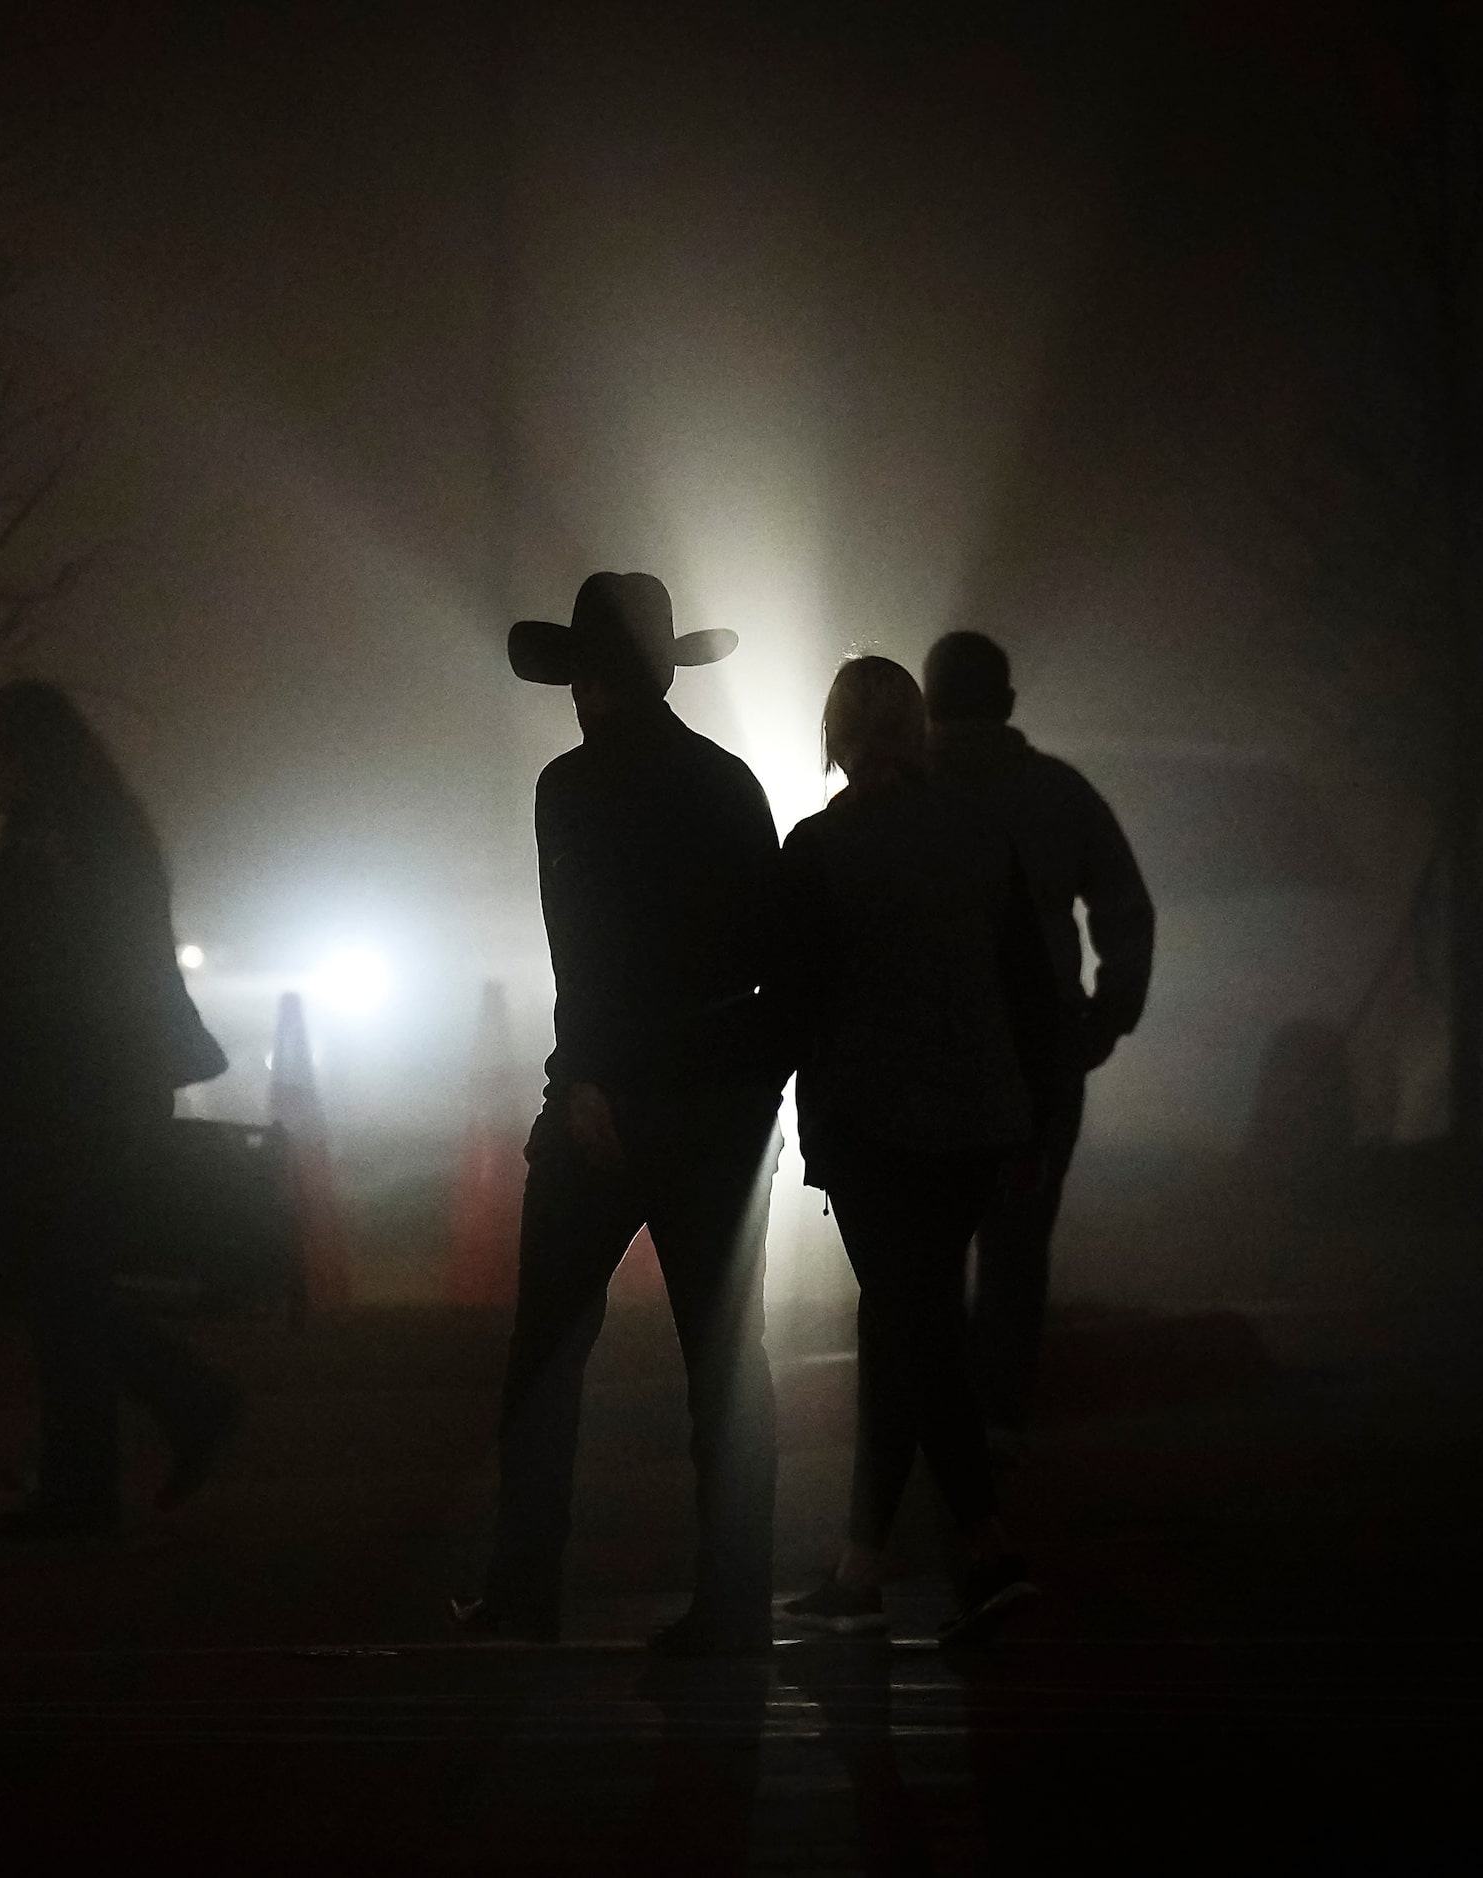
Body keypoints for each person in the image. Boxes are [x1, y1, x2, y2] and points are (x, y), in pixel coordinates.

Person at [454, 571, 784, 1657]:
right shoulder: (730, 784)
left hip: (610, 1093)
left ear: (591, 680)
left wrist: (584, 1079)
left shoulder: (569, 789)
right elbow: (764, 959)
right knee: (725, 1362)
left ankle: (521, 1592)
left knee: (545, 1352)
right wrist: (748, 1085)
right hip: (717, 1099)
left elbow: (581, 951)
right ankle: (732, 1602)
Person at [771, 655, 1057, 1645]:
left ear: (836, 738)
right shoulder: (981, 838)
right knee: (904, 1322)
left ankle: (983, 1549)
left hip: (870, 1129)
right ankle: (862, 1563)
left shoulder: (816, 848)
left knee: (912, 1329)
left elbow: (793, 1005)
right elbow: (1029, 985)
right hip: (977, 1122)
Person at [0, 680, 240, 1538]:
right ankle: (97, 1468)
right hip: (95, 1086)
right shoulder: (95, 830)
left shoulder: (60, 842)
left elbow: (26, 959)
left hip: (70, 1090)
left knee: (56, 1284)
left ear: (28, 756)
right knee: (63, 1284)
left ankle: (141, 1439)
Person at [922, 631, 1154, 1443]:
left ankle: (928, 1421)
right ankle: (1001, 1420)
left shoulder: (902, 794)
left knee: (923, 1252)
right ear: (1010, 704)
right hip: (1040, 1056)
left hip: (926, 1060)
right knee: (1017, 1247)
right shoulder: (1059, 793)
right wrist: (1104, 1017)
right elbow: (1126, 909)